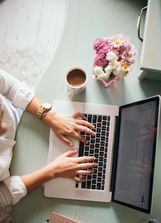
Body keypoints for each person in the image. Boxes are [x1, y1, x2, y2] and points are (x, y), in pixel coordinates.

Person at [0, 69, 96, 206]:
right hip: (14, 174)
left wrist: (48, 115)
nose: (4, 127)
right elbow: (3, 195)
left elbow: (10, 86)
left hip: (23, 113)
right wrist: (53, 171)